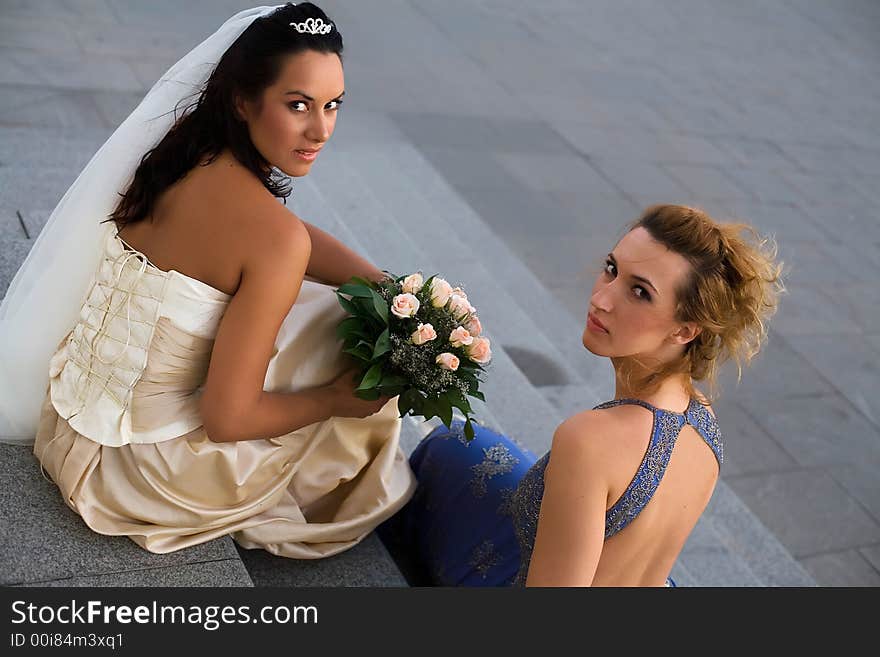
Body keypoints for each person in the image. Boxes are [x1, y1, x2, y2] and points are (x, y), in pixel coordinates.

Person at [0, 3, 416, 558]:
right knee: (360, 337)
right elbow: (228, 419)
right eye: (298, 106)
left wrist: (381, 280)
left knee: (345, 301)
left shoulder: (183, 149)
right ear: (244, 102)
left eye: (332, 105)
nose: (320, 129)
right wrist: (339, 399)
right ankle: (338, 496)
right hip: (143, 476)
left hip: (70, 428)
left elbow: (285, 234)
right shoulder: (272, 240)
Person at [378, 204, 784, 586]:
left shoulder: (591, 440)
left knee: (442, 457)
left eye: (640, 292)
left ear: (685, 330)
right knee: (457, 447)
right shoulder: (703, 419)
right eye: (612, 269)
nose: (601, 298)